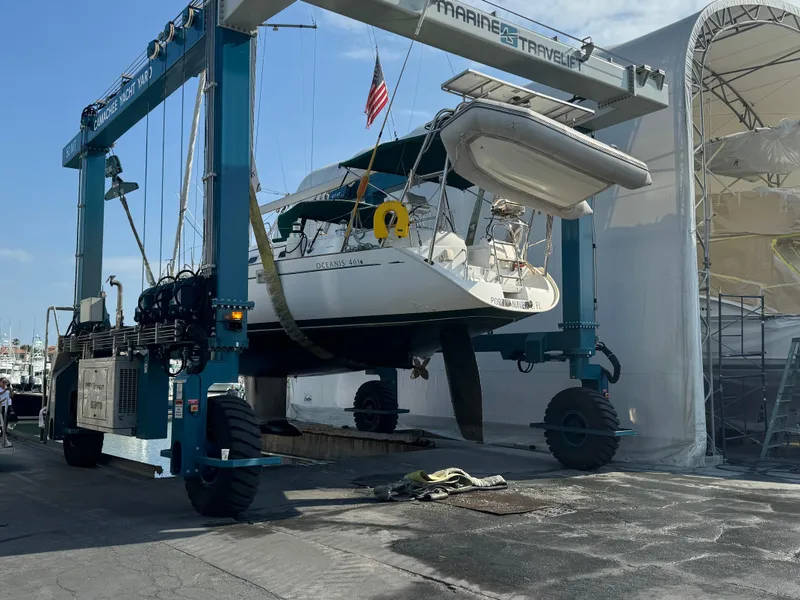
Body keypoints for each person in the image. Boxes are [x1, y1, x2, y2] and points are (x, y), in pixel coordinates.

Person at [0, 377, 13, 447]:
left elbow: (11, 396)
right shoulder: (2, 389)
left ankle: (4, 432)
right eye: (3, 382)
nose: (4, 383)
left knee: (7, 419)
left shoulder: (7, 388)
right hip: (2, 405)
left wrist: (11, 391)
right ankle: (2, 432)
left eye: (5, 382)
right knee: (2, 419)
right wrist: (5, 390)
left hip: (9, 405)